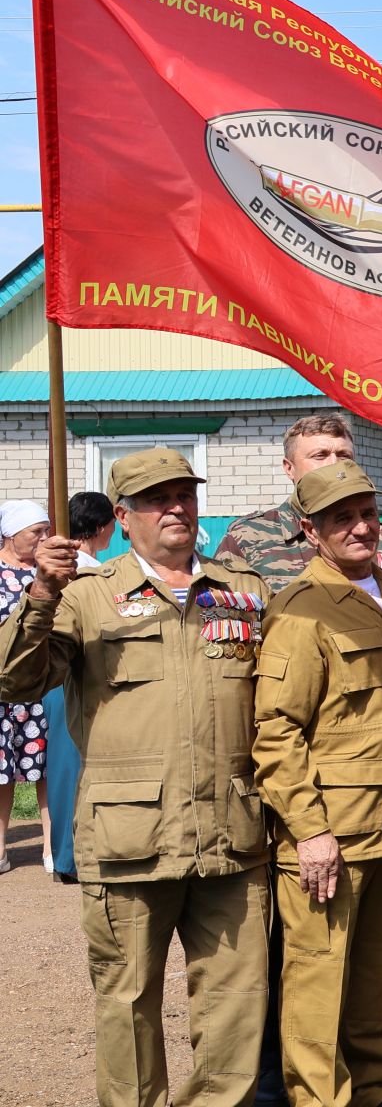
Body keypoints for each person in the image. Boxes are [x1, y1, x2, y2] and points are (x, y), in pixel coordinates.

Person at [0, 449, 270, 1106]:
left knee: (236, 1005)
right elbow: (14, 678)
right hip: (129, 838)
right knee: (126, 1000)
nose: (175, 506)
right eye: (156, 498)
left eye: (184, 493)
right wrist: (41, 592)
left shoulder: (243, 590)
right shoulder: (85, 596)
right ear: (122, 516)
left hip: (232, 831)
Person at [252, 462, 382, 1107]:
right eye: (339, 519)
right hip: (333, 835)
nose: (359, 528)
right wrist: (311, 831)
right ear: (310, 531)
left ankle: (370, 1092)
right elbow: (276, 730)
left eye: (365, 513)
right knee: (317, 984)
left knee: (374, 979)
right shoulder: (301, 611)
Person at [215, 413, 382, 594]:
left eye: (344, 456)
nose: (334, 464)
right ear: (289, 468)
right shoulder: (249, 539)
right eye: (320, 455)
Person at [41, 490, 112, 885]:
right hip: (74, 671)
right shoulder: (84, 569)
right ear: (103, 526)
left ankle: (66, 855)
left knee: (64, 766)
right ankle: (71, 857)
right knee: (74, 765)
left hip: (56, 674)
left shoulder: (68, 563)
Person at [0, 499, 52, 873]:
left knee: (47, 768)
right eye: (36, 532)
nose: (43, 538)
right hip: (3, 690)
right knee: (1, 771)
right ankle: (0, 847)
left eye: (46, 530)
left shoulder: (47, 573)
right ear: (11, 535)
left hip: (43, 687)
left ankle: (51, 847)